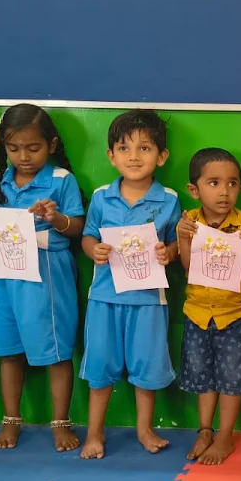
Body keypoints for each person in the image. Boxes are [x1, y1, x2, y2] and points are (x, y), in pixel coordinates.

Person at [0, 104, 85, 452]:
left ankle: (61, 422)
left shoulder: (62, 180)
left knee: (56, 351)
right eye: (13, 148)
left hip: (47, 274)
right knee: (9, 349)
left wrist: (57, 216)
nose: (23, 157)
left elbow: (77, 227)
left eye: (33, 148)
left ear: (50, 144)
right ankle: (11, 419)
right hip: (6, 275)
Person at [79, 110, 180, 459]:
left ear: (161, 156)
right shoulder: (101, 196)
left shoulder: (169, 199)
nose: (134, 156)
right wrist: (96, 251)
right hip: (105, 298)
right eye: (124, 148)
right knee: (101, 368)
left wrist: (169, 252)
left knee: (147, 368)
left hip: (150, 299)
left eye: (144, 148)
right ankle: (95, 433)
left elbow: (176, 242)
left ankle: (144, 429)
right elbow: (88, 236)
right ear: (111, 155)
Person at [175, 148, 241, 465]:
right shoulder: (190, 222)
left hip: (235, 313)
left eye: (232, 183)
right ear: (194, 190)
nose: (224, 192)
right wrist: (183, 239)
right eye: (214, 183)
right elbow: (186, 267)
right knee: (203, 375)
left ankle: (225, 435)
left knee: (232, 377)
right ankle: (205, 430)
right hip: (197, 312)